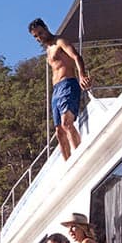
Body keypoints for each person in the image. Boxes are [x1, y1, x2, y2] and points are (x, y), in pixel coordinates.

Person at [28, 18, 91, 161]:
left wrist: (81, 75)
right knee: (59, 132)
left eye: (40, 33)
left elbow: (76, 57)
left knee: (67, 123)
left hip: (68, 83)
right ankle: (68, 163)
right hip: (56, 90)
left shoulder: (60, 42)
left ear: (46, 27)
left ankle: (80, 159)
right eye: (36, 36)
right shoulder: (48, 50)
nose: (39, 38)